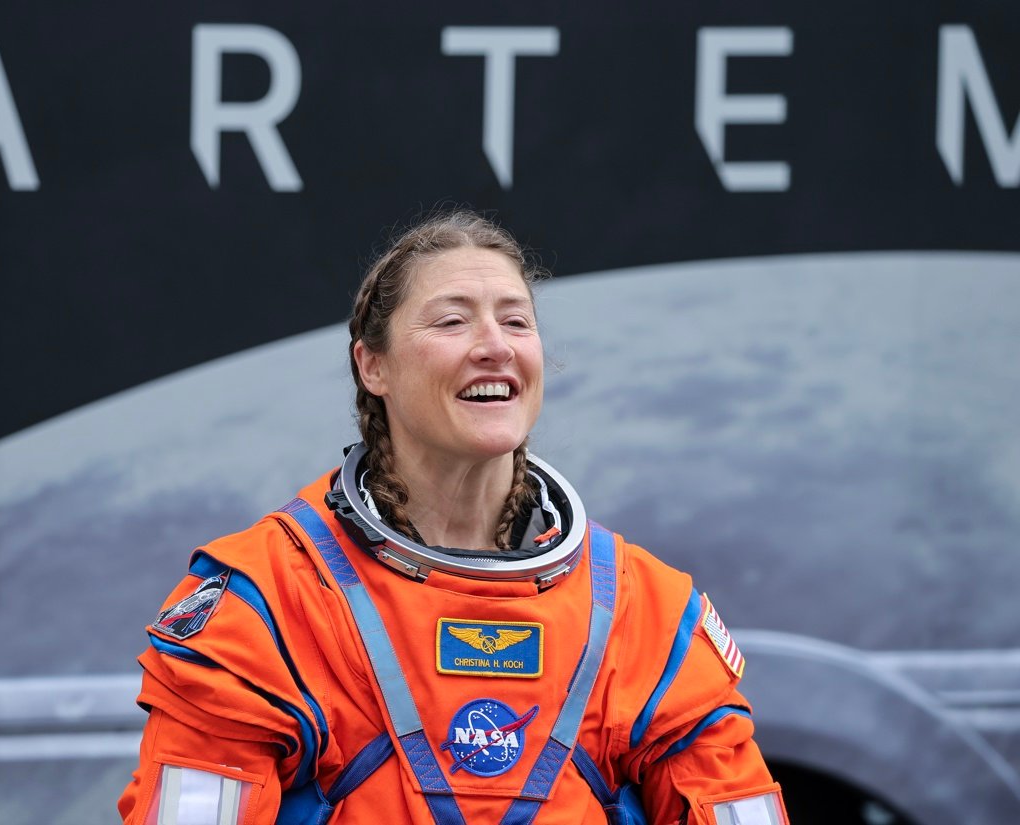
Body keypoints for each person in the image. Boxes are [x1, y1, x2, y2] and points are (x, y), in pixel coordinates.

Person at [118, 210, 790, 825]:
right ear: (372, 365)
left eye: (516, 320)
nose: (495, 345)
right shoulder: (266, 603)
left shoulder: (647, 615)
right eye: (452, 320)